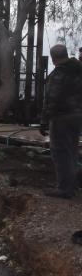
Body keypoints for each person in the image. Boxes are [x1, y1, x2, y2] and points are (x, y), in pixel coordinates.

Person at [40, 44, 82, 198]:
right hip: (77, 117)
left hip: (61, 118)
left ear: (53, 58)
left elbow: (52, 99)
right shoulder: (79, 69)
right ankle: (73, 184)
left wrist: (44, 121)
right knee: (71, 150)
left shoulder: (59, 74)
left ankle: (64, 189)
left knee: (60, 152)